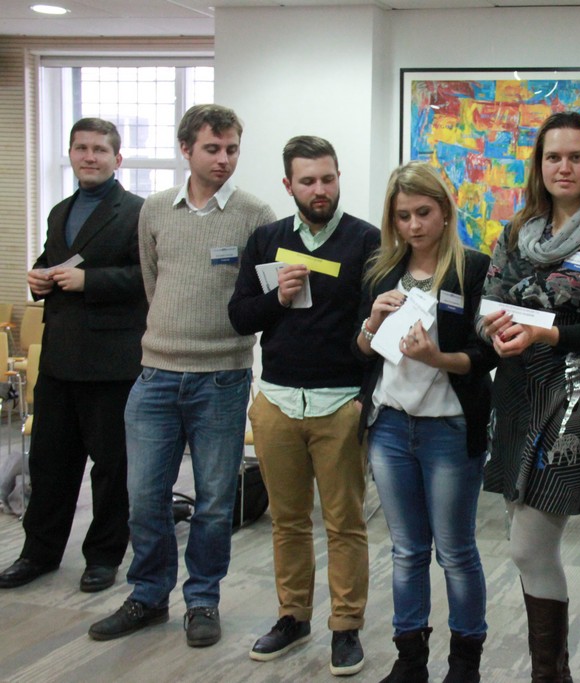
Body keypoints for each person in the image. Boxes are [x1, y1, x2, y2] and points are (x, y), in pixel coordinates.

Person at [88, 104, 276, 647]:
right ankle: (148, 596)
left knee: (215, 502)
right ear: (186, 149)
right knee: (145, 497)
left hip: (222, 377)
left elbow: (262, 296)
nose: (223, 159)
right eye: (212, 149)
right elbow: (153, 283)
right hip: (156, 375)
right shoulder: (154, 210)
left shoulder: (255, 214)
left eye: (232, 149)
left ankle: (202, 600)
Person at [479, 111, 580, 681]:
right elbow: (488, 303)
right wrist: (493, 331)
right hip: (515, 390)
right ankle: (551, 672)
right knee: (524, 537)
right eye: (554, 157)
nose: (564, 167)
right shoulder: (515, 232)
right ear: (539, 164)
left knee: (529, 546)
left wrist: (547, 333)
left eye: (576, 157)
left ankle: (550, 673)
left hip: (572, 394)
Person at [228, 136, 379, 675]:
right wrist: (278, 297)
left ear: (338, 179)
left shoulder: (367, 241)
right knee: (287, 520)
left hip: (339, 404)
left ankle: (346, 626)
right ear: (288, 185)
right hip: (277, 400)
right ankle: (292, 617)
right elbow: (240, 317)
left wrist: (363, 401)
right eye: (308, 181)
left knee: (344, 523)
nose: (320, 190)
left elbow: (375, 330)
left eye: (328, 179)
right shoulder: (266, 239)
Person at [356, 161, 496, 683]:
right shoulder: (381, 270)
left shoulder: (473, 269)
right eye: (403, 216)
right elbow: (362, 351)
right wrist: (371, 323)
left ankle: (464, 664)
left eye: (423, 213)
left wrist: (437, 358)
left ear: (444, 212)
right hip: (391, 427)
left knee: (455, 552)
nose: (413, 225)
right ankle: (410, 660)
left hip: (449, 428)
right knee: (407, 550)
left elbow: (486, 355)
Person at [0, 118, 146, 593]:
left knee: (111, 469)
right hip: (59, 359)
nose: (89, 156)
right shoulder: (60, 211)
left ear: (117, 159)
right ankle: (37, 553)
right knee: (50, 465)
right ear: (71, 154)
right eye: (81, 148)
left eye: (99, 149)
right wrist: (38, 276)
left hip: (111, 362)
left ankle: (103, 557)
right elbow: (54, 259)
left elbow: (148, 277)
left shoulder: (137, 212)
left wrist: (91, 282)